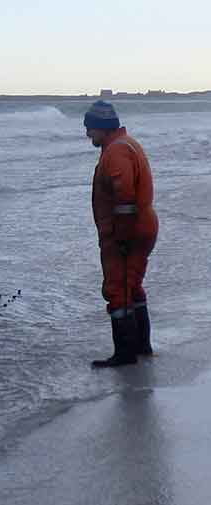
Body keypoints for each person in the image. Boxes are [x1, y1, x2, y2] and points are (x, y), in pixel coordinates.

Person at [85, 101, 159, 367]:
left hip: (127, 231)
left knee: (118, 289)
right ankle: (141, 347)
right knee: (132, 286)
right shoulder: (125, 144)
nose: (87, 134)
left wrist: (123, 236)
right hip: (141, 226)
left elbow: (125, 196)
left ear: (103, 127)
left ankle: (125, 355)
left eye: (90, 128)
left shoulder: (116, 152)